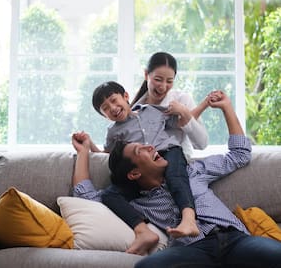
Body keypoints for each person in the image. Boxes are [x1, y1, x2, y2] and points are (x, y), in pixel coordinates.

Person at [73, 91, 281, 268]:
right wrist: (84, 152)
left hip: (234, 239)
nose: (151, 146)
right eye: (140, 149)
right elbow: (85, 194)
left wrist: (226, 107)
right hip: (193, 248)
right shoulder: (136, 200)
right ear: (134, 173)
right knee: (145, 266)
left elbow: (240, 155)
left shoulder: (193, 171)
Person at [76, 81, 210, 254]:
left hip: (169, 152)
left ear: (126, 97)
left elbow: (182, 122)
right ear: (105, 116)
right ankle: (143, 232)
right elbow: (108, 156)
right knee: (110, 194)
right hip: (143, 168)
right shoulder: (114, 133)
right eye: (106, 108)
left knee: (176, 178)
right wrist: (88, 146)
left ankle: (188, 218)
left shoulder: (152, 110)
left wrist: (203, 104)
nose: (113, 108)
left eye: (114, 100)